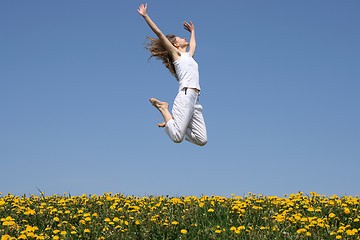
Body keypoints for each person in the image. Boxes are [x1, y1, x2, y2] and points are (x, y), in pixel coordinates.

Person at [138, 3, 207, 146]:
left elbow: (194, 45)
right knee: (177, 137)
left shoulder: (189, 56)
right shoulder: (177, 56)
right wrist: (145, 16)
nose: (185, 39)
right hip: (186, 94)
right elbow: (159, 33)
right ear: (175, 45)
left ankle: (173, 120)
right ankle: (164, 108)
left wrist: (193, 31)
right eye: (181, 38)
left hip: (195, 99)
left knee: (202, 140)